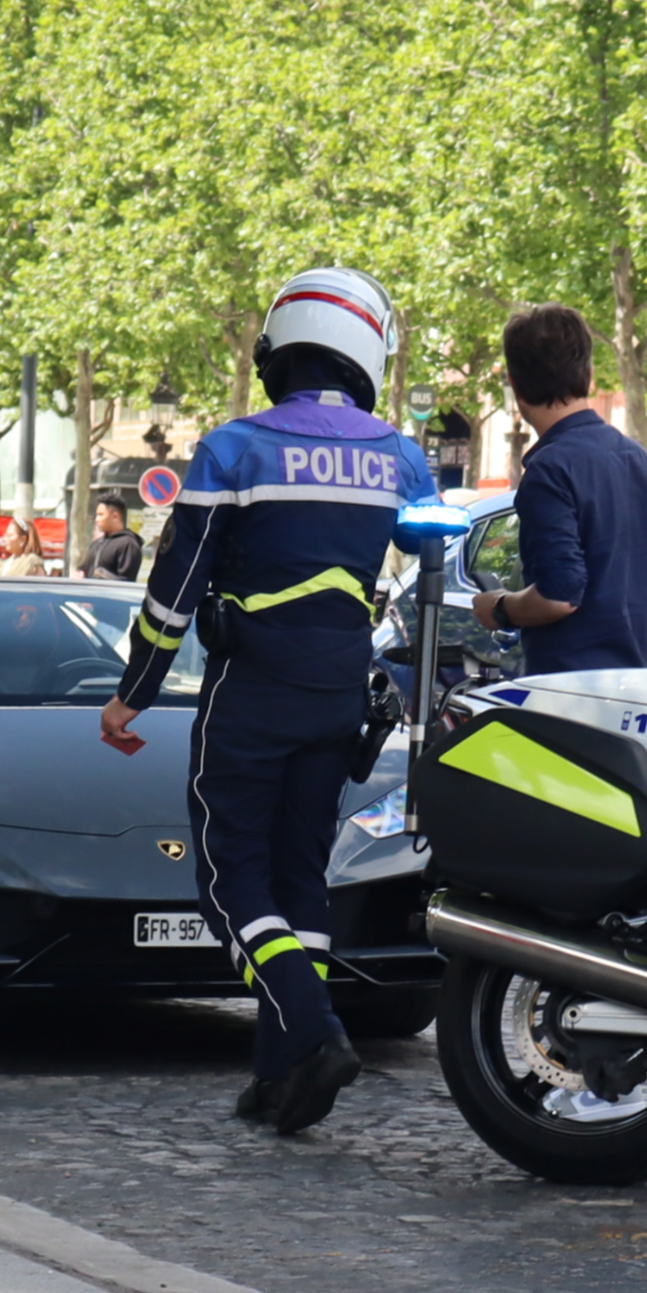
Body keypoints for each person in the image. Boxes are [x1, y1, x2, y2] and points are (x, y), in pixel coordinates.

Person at [100, 268, 439, 1135]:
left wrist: (133, 692)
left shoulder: (234, 448)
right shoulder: (399, 453)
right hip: (340, 694)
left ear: (275, 352)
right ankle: (279, 1074)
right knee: (301, 879)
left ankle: (317, 1032)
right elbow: (436, 560)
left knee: (230, 876)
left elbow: (176, 588)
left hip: (250, 692)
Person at [467, 304, 647, 672]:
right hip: (633, 699)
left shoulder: (549, 470)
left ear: (515, 385)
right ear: (590, 375)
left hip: (565, 696)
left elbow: (560, 594)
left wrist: (499, 608)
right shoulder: (645, 466)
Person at [81, 491, 144, 581]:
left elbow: (126, 582)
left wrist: (102, 575)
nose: (96, 519)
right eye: (96, 515)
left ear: (115, 516)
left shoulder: (128, 544)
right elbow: (84, 568)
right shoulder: (96, 544)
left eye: (100, 515)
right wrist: (80, 572)